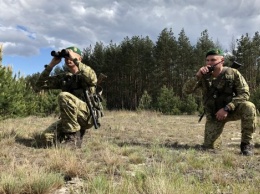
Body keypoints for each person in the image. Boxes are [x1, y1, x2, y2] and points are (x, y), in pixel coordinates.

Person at [186, 48, 257, 156]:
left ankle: (246, 144)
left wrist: (227, 108)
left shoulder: (233, 73)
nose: (209, 63)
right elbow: (186, 91)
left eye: (213, 60)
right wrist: (198, 75)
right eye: (207, 60)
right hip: (214, 115)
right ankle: (215, 141)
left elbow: (244, 94)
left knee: (249, 107)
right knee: (209, 147)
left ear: (221, 61)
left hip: (232, 110)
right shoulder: (203, 76)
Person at [36, 46, 99, 148]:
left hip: (87, 115)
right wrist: (51, 65)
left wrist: (73, 58)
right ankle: (68, 138)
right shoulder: (66, 78)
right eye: (66, 57)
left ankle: (73, 139)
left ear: (80, 59)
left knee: (64, 96)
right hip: (70, 118)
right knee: (46, 137)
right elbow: (39, 85)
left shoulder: (86, 73)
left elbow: (93, 79)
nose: (68, 59)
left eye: (71, 56)